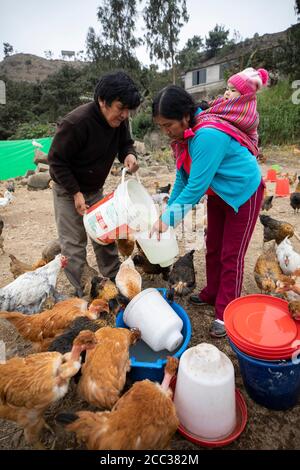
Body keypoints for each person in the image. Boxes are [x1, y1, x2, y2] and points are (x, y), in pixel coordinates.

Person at [150, 83, 264, 338]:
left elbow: (195, 188)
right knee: (212, 245)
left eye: (168, 125)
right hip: (220, 194)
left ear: (185, 116)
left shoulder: (207, 135)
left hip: (243, 193)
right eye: (162, 127)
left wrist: (167, 220)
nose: (166, 132)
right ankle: (212, 291)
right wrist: (166, 212)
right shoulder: (184, 138)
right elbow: (182, 178)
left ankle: (226, 312)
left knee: (230, 255)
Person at [48, 71, 141, 296]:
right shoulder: (76, 123)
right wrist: (75, 192)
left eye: (128, 109)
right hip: (68, 190)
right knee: (73, 245)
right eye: (121, 107)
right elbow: (56, 162)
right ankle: (87, 292)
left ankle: (114, 282)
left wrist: (128, 155)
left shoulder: (120, 120)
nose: (124, 114)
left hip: (94, 189)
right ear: (102, 101)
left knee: (106, 236)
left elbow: (125, 143)